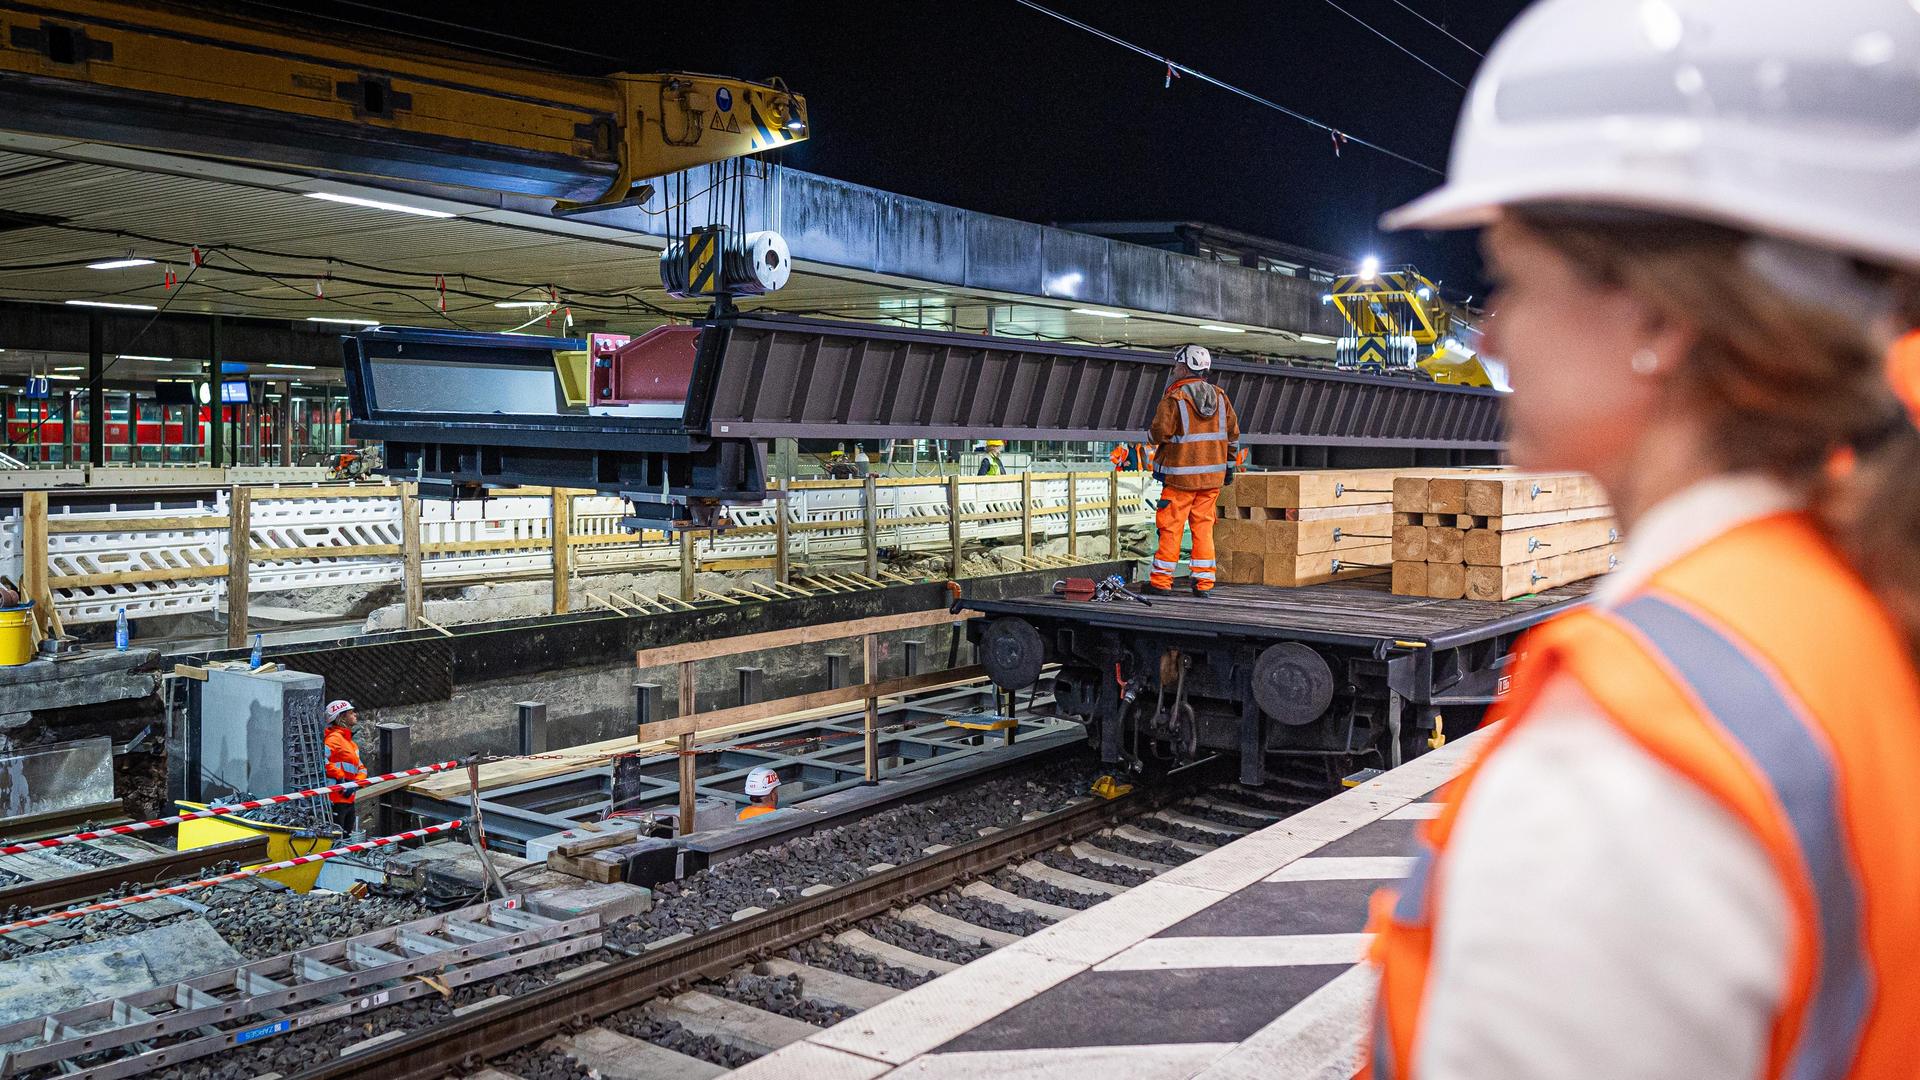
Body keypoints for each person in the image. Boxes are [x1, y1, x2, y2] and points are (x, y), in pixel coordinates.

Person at [1365, 3, 1920, 1078]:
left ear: (1662, 321)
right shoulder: (1850, 598)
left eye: (1514, 278)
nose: (1489, 335)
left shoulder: (1625, 774)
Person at [1146, 344, 1239, 596]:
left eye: (1177, 365)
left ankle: (1161, 582)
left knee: (1171, 527)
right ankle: (1204, 583)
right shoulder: (1221, 398)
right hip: (1211, 480)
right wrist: (1229, 468)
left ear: (1185, 367)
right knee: (1203, 528)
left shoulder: (1175, 399)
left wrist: (1152, 432)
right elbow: (1233, 438)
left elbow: (1158, 434)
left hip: (1179, 479)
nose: (1174, 370)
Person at [322, 699, 368, 835]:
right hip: (336, 799)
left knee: (346, 837)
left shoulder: (350, 743)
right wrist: (340, 776)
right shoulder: (334, 739)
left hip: (349, 798)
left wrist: (355, 783)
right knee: (337, 840)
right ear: (341, 717)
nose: (355, 715)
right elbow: (320, 761)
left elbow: (362, 768)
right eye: (351, 712)